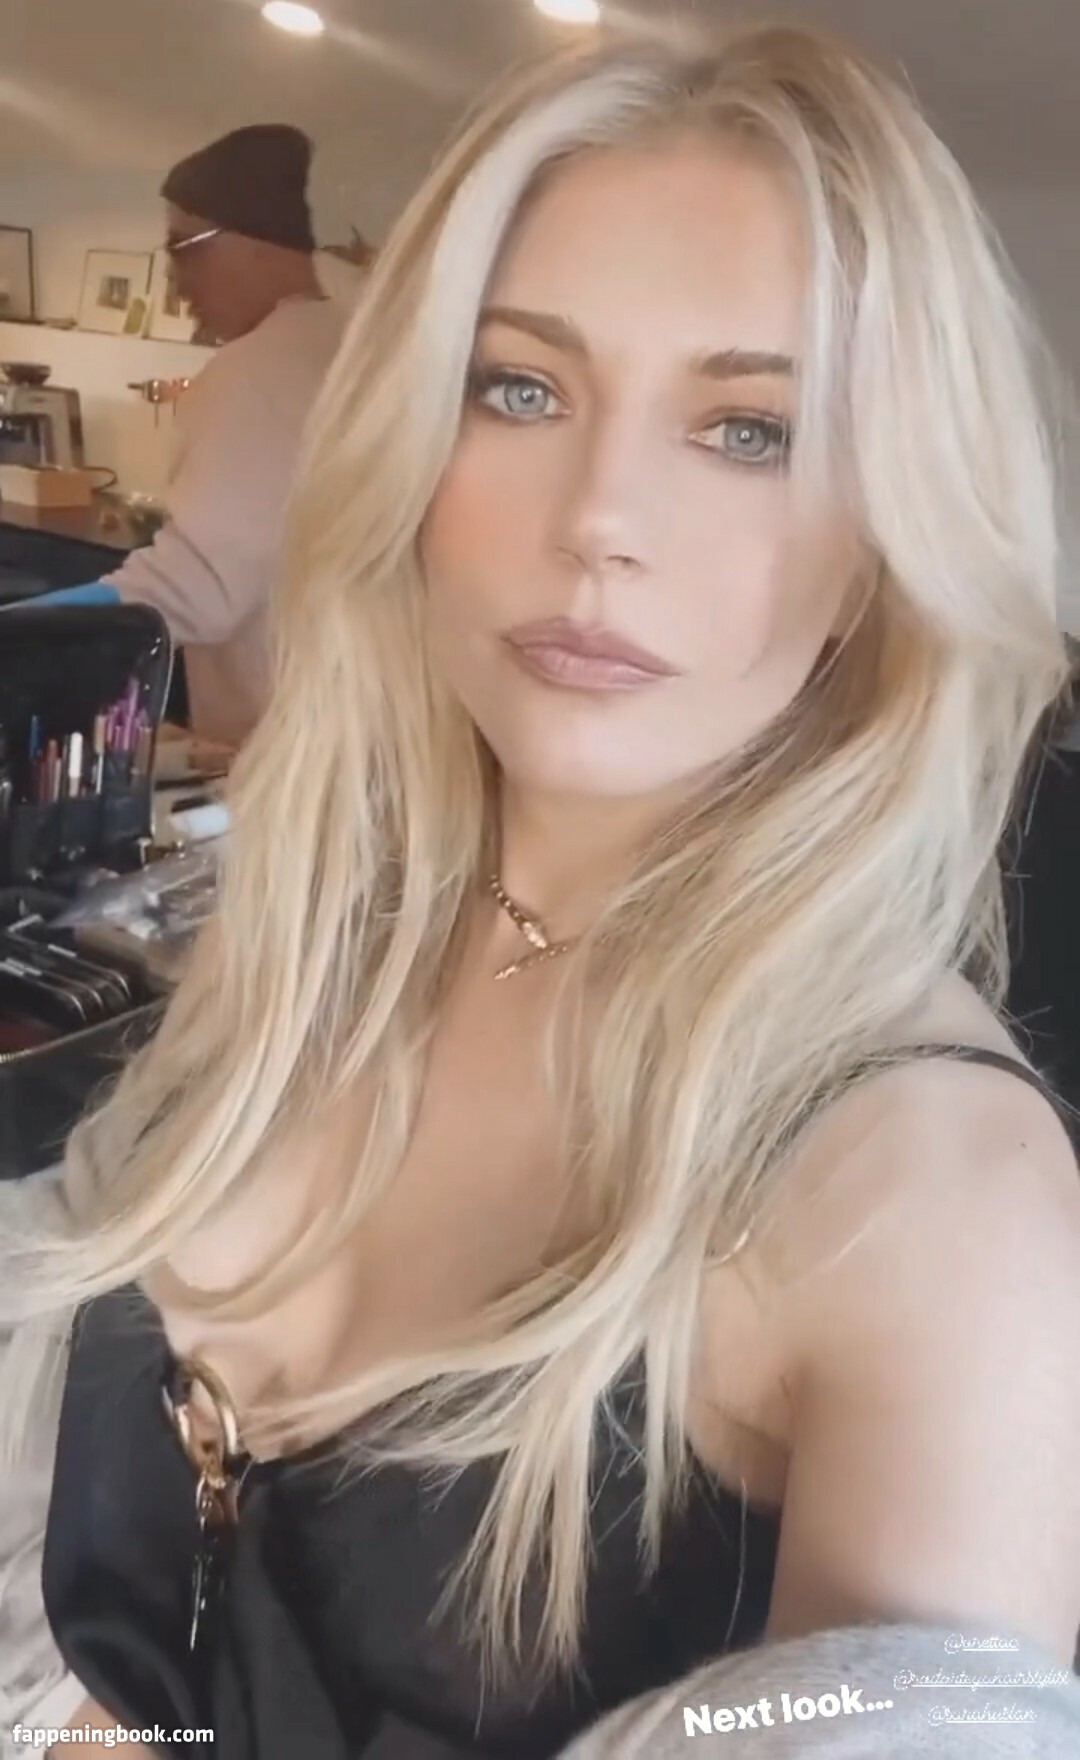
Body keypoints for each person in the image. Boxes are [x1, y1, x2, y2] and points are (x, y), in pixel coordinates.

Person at [4, 22, 1080, 1758]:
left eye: (749, 428)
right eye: (520, 390)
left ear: (890, 538)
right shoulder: (322, 933)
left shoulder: (930, 1195)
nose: (600, 519)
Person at [33, 125, 348, 747]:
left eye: (183, 248)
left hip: (283, 742)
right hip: (366, 733)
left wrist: (31, 629)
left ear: (253, 243)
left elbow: (196, 587)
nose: (175, 284)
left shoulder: (256, 368)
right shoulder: (356, 343)